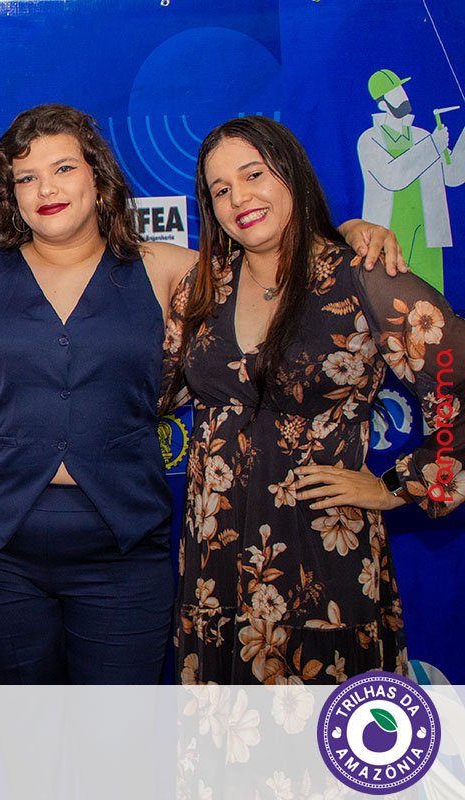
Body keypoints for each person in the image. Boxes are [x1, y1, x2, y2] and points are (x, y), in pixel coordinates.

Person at [0, 104, 401, 685]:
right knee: (25, 738)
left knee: (114, 742)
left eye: (63, 169)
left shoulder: (168, 269)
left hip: (125, 555)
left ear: (98, 179)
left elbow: (275, 262)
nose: (46, 189)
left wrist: (349, 232)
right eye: (27, 177)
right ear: (10, 196)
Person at [164, 115, 464, 685]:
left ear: (293, 173)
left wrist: (395, 486)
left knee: (322, 730)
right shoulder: (204, 288)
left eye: (253, 174)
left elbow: (460, 385)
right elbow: (148, 393)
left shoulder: (362, 278)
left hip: (322, 555)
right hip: (214, 566)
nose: (239, 198)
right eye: (221, 189)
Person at [358, 68, 465, 292]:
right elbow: (394, 177)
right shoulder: (370, 140)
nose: (403, 95)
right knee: (391, 301)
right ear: (382, 104)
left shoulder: (422, 136)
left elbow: (453, 175)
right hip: (388, 236)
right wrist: (434, 145)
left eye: (401, 89)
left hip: (427, 233)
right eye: (395, 92)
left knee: (433, 303)